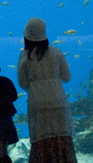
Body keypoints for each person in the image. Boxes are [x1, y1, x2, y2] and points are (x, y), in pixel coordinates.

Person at [17, 17, 77, 163]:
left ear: (27, 35)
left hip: (37, 102)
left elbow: (23, 83)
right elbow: (67, 77)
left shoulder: (25, 56)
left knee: (41, 142)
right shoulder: (56, 52)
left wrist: (36, 86)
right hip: (59, 100)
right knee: (62, 139)